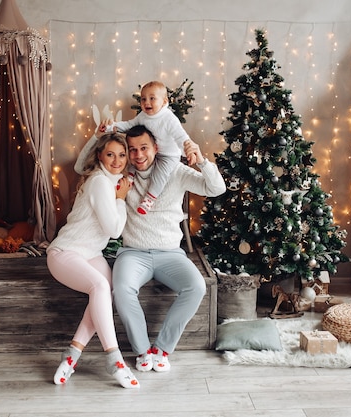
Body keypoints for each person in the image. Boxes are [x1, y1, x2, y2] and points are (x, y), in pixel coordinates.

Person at [75, 124, 226, 373]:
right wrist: (97, 136)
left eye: (144, 148)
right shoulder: (123, 172)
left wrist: (201, 162)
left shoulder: (175, 171)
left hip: (170, 254)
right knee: (121, 290)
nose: (138, 155)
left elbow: (216, 189)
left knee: (197, 286)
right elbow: (82, 168)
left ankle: (162, 349)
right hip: (133, 253)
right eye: (131, 150)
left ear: (156, 148)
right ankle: (143, 351)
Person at [46, 131, 139, 389]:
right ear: (99, 156)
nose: (117, 160)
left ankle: (71, 356)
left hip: (91, 254)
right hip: (65, 252)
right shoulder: (100, 182)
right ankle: (115, 360)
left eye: (122, 155)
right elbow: (114, 230)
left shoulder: (114, 180)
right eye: (110, 154)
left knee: (106, 291)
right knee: (99, 287)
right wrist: (120, 200)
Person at [111, 81, 197, 215]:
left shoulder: (169, 118)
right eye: (143, 99)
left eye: (152, 98)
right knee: (135, 156)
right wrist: (114, 127)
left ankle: (150, 198)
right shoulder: (142, 116)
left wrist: (188, 149)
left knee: (160, 175)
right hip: (152, 152)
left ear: (164, 101)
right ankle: (130, 178)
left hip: (168, 155)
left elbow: (181, 136)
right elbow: (129, 125)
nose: (147, 103)